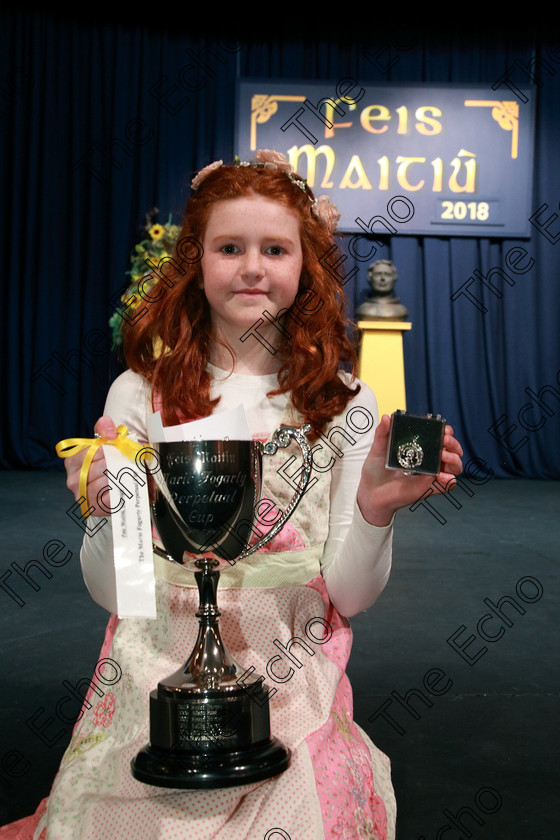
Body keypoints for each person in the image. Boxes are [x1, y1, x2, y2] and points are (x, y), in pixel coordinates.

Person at [2, 149, 462, 840]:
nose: (252, 266)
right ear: (196, 260)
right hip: (157, 658)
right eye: (229, 247)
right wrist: (105, 514)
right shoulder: (139, 394)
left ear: (305, 264)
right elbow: (119, 591)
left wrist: (375, 507)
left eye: (275, 248)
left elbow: (352, 594)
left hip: (291, 663)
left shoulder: (346, 402)